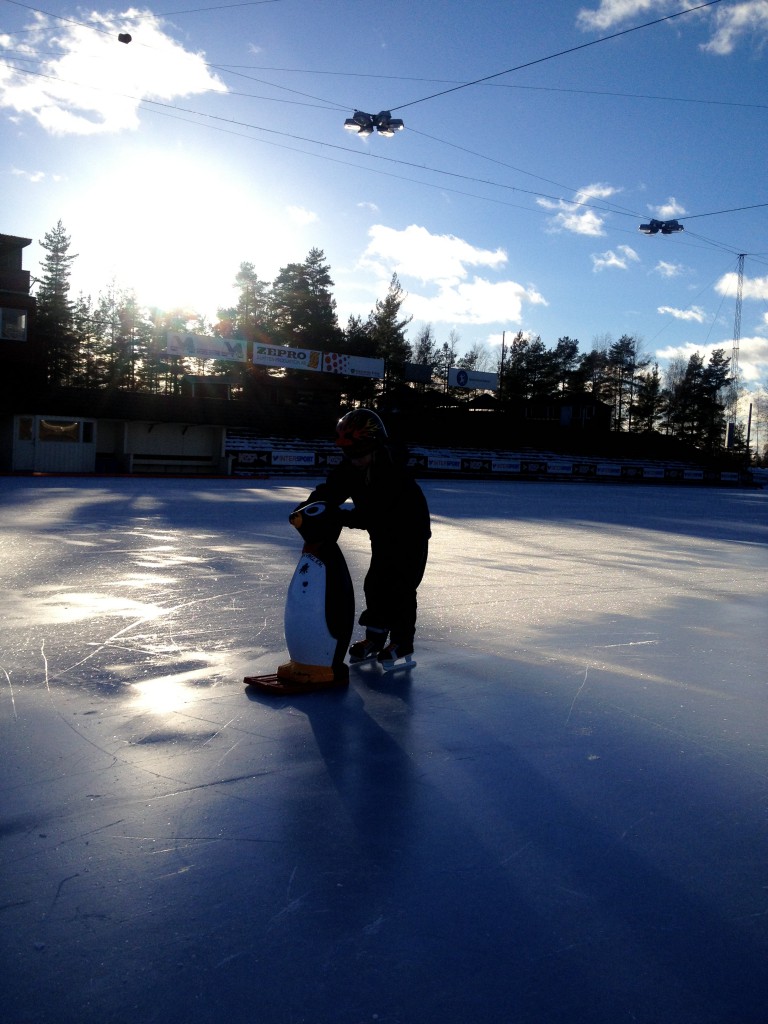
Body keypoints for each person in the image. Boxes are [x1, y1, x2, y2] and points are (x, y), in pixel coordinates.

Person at [302, 408, 431, 668]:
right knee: (375, 585)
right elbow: (331, 490)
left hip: (410, 534)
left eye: (359, 454)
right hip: (382, 534)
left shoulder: (392, 472)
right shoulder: (352, 466)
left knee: (401, 588)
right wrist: (309, 508)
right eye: (349, 454)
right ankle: (375, 638)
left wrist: (337, 517)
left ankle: (402, 641)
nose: (354, 460)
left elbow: (374, 514)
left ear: (375, 446)